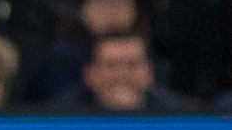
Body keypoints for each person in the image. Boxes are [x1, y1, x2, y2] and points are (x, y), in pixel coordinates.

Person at [57, 30, 186, 110]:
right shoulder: (58, 118)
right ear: (90, 75)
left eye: (133, 64)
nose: (122, 75)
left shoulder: (180, 116)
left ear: (150, 73)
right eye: (111, 65)